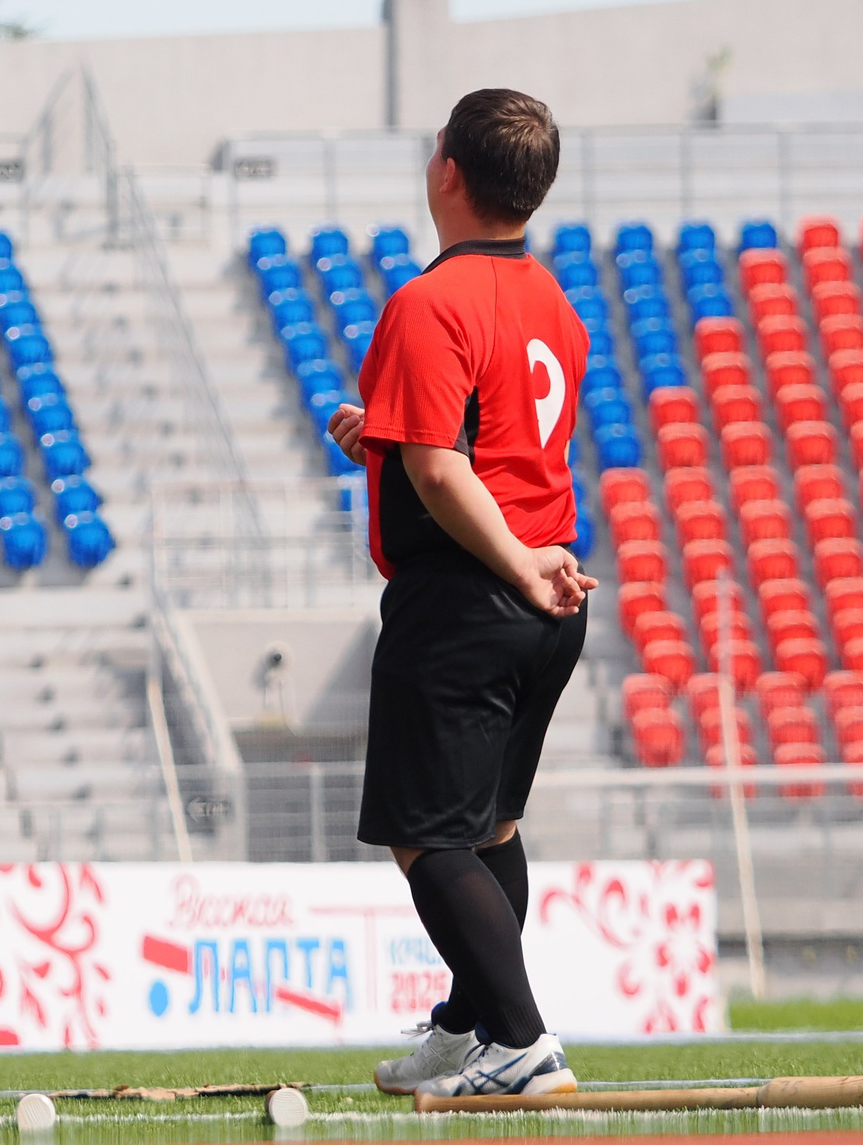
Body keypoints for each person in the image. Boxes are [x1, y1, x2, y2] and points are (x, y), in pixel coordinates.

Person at [326, 88, 594, 1101]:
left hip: (468, 597)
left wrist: (509, 559)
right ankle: (466, 1028)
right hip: (547, 594)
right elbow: (492, 443)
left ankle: (519, 1043)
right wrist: (386, 438)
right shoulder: (553, 300)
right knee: (490, 832)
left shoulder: (429, 300)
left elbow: (444, 472)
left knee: (428, 834)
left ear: (446, 170)